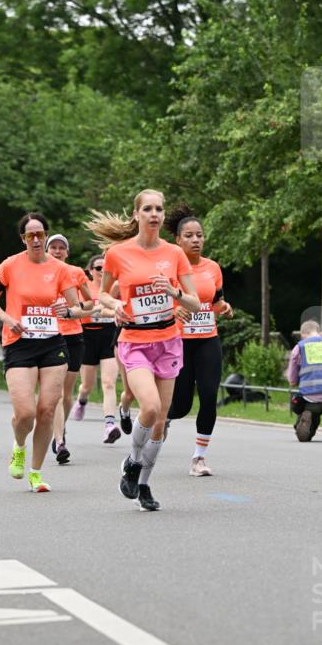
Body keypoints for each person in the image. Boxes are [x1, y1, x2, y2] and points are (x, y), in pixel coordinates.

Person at [88, 188, 200, 511]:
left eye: (159, 209)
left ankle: (144, 485)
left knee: (161, 422)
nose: (154, 214)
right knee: (149, 407)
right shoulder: (118, 253)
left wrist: (174, 291)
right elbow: (103, 295)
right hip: (135, 341)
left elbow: (193, 301)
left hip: (168, 341)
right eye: (148, 209)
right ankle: (133, 462)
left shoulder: (174, 254)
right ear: (136, 214)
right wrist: (117, 304)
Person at [0, 212, 80, 493]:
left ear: (46, 236)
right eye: (30, 235)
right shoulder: (9, 266)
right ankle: (19, 446)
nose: (36, 239)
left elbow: (78, 307)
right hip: (19, 343)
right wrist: (7, 319)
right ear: (23, 238)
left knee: (47, 410)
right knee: (25, 413)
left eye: (40, 234)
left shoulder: (60, 269)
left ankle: (36, 473)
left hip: (53, 344)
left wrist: (69, 311)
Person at [165, 206, 234, 476]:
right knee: (181, 405)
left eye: (200, 235)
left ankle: (199, 458)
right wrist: (173, 311)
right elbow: (158, 304)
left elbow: (216, 302)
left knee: (208, 395)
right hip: (178, 341)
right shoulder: (169, 269)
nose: (196, 240)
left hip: (207, 339)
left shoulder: (213, 268)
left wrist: (226, 308)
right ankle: (161, 419)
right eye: (189, 235)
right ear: (178, 240)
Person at [45, 233, 94, 464]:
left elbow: (91, 305)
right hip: (51, 337)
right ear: (46, 250)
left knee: (66, 394)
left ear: (67, 252)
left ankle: (60, 429)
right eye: (52, 247)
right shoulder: (39, 273)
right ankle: (60, 441)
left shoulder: (76, 273)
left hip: (74, 336)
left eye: (61, 248)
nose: (56, 251)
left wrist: (72, 311)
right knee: (55, 393)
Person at [70, 254, 122, 444]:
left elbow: (121, 308)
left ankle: (109, 425)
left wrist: (111, 310)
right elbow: (78, 310)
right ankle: (82, 400)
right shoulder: (85, 287)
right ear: (91, 271)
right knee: (87, 385)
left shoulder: (114, 287)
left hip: (109, 335)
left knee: (109, 382)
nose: (102, 272)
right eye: (98, 268)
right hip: (87, 336)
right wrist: (95, 309)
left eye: (104, 268)